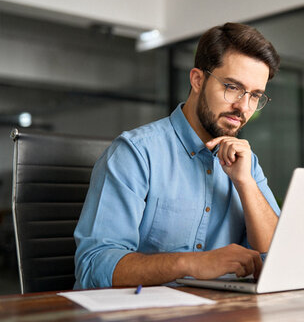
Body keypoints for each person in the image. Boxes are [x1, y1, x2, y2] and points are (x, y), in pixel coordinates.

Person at [74, 22, 281, 289]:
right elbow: (94, 265)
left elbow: (277, 258)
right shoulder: (135, 153)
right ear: (197, 80)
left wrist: (246, 184)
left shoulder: (247, 164)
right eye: (232, 87)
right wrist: (192, 264)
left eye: (255, 95)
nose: (243, 106)